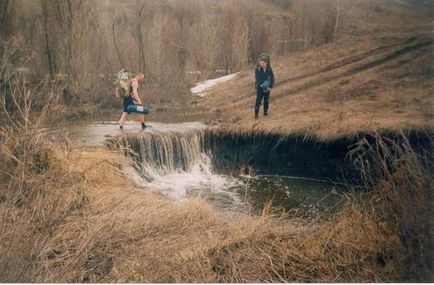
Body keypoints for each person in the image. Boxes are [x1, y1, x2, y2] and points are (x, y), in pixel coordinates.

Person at [254, 54, 275, 119]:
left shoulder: (269, 69)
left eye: (262, 63)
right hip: (260, 88)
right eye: (260, 63)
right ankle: (256, 114)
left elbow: (272, 78)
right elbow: (258, 79)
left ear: (266, 62)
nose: (261, 64)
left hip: (267, 88)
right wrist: (264, 86)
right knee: (258, 101)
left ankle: (265, 113)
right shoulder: (257, 69)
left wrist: (270, 86)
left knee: (266, 101)